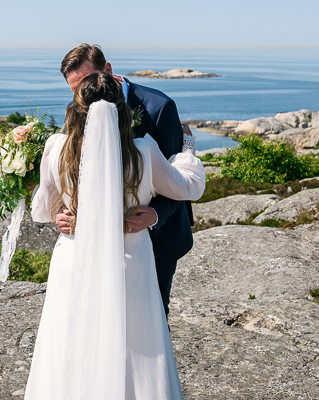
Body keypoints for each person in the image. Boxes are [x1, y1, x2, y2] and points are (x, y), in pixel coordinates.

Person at [25, 71, 205, 400]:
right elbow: (188, 186)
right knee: (135, 348)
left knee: (70, 339)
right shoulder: (143, 151)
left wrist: (58, 214)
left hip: (72, 259)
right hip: (129, 262)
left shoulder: (55, 148)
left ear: (77, 108)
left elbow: (41, 208)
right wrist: (187, 147)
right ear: (122, 108)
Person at [56, 44, 194, 316]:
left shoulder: (159, 107)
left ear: (107, 70)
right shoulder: (79, 107)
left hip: (156, 238)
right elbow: (75, 170)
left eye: (84, 83)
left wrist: (154, 214)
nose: (80, 95)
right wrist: (62, 211)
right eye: (73, 89)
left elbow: (175, 177)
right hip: (99, 237)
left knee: (151, 317)